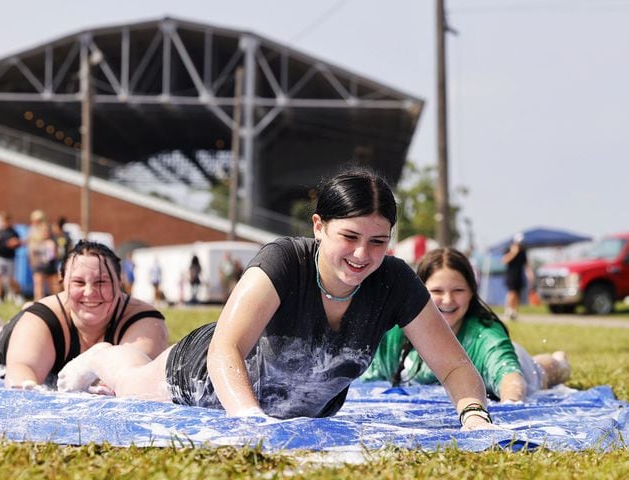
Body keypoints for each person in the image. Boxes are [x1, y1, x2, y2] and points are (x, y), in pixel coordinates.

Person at [57, 167, 495, 429]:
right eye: (350, 236)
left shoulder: (395, 282)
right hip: (204, 379)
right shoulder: (283, 261)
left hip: (297, 410)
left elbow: (455, 365)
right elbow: (225, 348)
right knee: (130, 384)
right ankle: (104, 355)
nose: (363, 255)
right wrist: (250, 421)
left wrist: (473, 414)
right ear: (319, 226)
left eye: (378, 241)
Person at [0, 240, 169, 390]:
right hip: (23, 337)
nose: (90, 292)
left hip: (48, 338)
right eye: (79, 282)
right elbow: (20, 376)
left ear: (119, 283)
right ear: (63, 284)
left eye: (102, 282)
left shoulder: (145, 321)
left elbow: (134, 379)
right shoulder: (44, 318)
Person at [361, 247, 571, 402]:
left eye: (458, 291)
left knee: (543, 372)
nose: (448, 300)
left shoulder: (485, 336)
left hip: (517, 364)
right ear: (418, 293)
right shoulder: (396, 330)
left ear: (472, 292)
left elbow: (510, 379)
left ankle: (559, 361)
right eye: (436, 291)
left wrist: (510, 405)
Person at [0, 213, 23, 306]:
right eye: (3, 221)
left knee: (10, 280)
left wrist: (14, 243)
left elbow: (18, 243)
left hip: (10, 259)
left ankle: (18, 295)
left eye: (6, 221)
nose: (4, 223)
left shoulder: (13, 232)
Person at [27, 210, 60, 300]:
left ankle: (57, 305)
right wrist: (31, 262)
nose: (36, 222)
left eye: (38, 220)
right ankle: (38, 307)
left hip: (50, 264)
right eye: (34, 220)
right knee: (38, 287)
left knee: (54, 287)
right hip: (38, 264)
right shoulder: (32, 232)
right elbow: (30, 250)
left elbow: (56, 252)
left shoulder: (49, 230)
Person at [502, 233, 532, 321]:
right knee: (512, 292)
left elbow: (526, 264)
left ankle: (514, 311)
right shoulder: (509, 249)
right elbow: (504, 260)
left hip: (520, 275)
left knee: (517, 293)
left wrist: (530, 274)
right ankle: (508, 310)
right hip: (511, 274)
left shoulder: (523, 252)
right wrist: (513, 253)